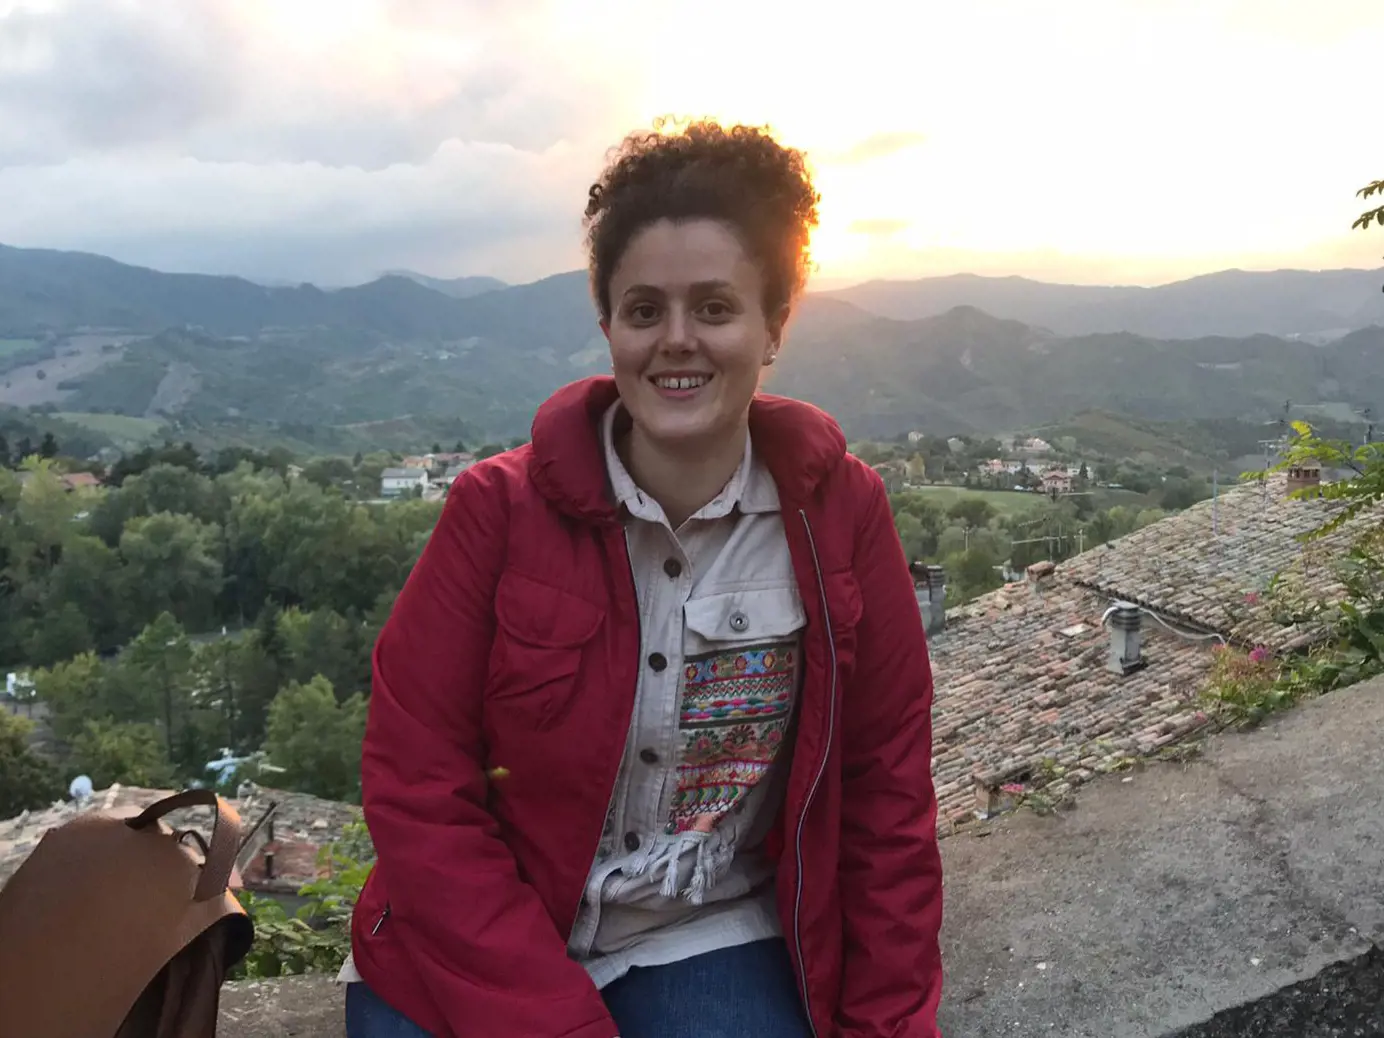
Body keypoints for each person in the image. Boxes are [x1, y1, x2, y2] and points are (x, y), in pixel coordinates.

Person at [342, 119, 944, 1038]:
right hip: (475, 939)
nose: (677, 340)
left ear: (774, 326)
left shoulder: (839, 517)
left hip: (695, 929)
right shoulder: (495, 513)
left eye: (715, 308)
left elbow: (884, 793)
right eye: (644, 310)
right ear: (609, 327)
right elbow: (416, 780)